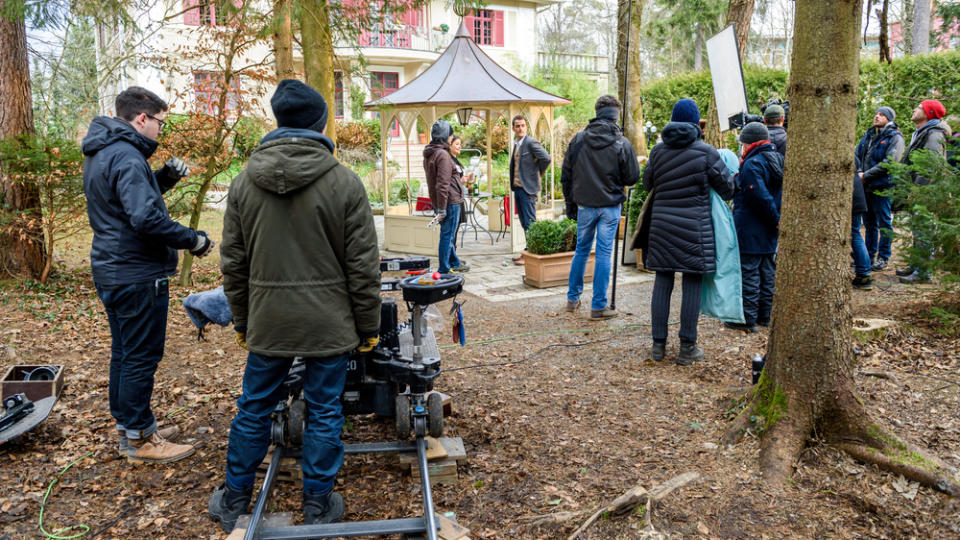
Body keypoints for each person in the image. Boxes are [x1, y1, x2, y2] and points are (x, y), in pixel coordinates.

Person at [209, 79, 381, 533]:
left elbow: (234, 263)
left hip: (268, 320)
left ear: (278, 121)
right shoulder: (344, 182)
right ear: (321, 123)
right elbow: (363, 267)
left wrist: (243, 321)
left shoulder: (244, 183)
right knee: (325, 409)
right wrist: (368, 327)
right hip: (329, 323)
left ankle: (233, 498)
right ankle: (319, 503)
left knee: (253, 407)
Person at [82, 86, 211, 464]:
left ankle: (133, 426)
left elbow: (125, 201)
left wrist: (164, 179)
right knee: (140, 356)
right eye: (159, 122)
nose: (160, 130)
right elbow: (144, 218)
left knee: (125, 353)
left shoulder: (105, 151)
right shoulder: (126, 154)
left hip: (113, 270)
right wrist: (194, 240)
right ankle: (139, 440)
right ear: (142, 118)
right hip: (136, 274)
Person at [642, 98, 734, 365]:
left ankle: (658, 347)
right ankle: (687, 348)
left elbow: (648, 183)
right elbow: (728, 189)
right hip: (695, 229)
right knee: (692, 282)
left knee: (663, 281)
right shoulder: (706, 152)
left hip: (662, 228)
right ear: (696, 123)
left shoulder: (658, 152)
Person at [561, 95, 640, 320]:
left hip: (585, 205)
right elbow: (633, 176)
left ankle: (572, 299)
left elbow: (566, 175)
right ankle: (598, 306)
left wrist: (570, 204)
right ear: (616, 115)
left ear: (597, 112)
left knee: (582, 250)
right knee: (604, 253)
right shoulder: (621, 142)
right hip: (610, 205)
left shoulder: (578, 140)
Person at [725, 122, 784, 333]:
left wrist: (775, 217)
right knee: (767, 271)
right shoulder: (778, 159)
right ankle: (765, 315)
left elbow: (758, 195)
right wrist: (777, 219)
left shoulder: (752, 163)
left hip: (751, 226)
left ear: (748, 142)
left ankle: (747, 318)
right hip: (770, 228)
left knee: (749, 272)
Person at [897, 99, 951, 284]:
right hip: (919, 189)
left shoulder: (934, 134)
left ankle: (922, 273)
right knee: (917, 229)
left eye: (919, 107)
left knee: (923, 230)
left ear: (929, 113)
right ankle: (916, 266)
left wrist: (919, 190)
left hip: (926, 191)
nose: (915, 109)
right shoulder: (922, 132)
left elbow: (929, 164)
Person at [854, 106, 904, 272]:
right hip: (866, 186)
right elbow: (857, 153)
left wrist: (866, 175)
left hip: (883, 186)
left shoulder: (895, 137)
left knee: (884, 223)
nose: (877, 116)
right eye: (876, 113)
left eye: (882, 115)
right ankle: (868, 255)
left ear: (889, 118)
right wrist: (859, 171)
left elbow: (890, 162)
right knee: (869, 224)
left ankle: (883, 257)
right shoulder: (869, 134)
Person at [423, 121, 469, 273]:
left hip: (442, 201)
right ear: (445, 137)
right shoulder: (442, 155)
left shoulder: (430, 153)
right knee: (447, 236)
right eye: (450, 134)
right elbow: (442, 184)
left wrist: (437, 205)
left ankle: (454, 262)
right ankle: (443, 268)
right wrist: (442, 208)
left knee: (447, 234)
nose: (451, 137)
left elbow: (433, 182)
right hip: (450, 201)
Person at [509, 114, 551, 265]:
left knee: (529, 223)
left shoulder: (531, 142)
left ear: (526, 127)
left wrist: (537, 173)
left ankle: (530, 255)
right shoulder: (517, 143)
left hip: (528, 189)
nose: (520, 128)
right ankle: (527, 252)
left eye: (522, 125)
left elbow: (546, 158)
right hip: (518, 189)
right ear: (513, 128)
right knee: (524, 222)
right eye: (517, 126)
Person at [851, 172, 873, 290]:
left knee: (854, 234)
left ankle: (863, 274)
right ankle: (863, 272)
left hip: (853, 200)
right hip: (857, 199)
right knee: (855, 234)